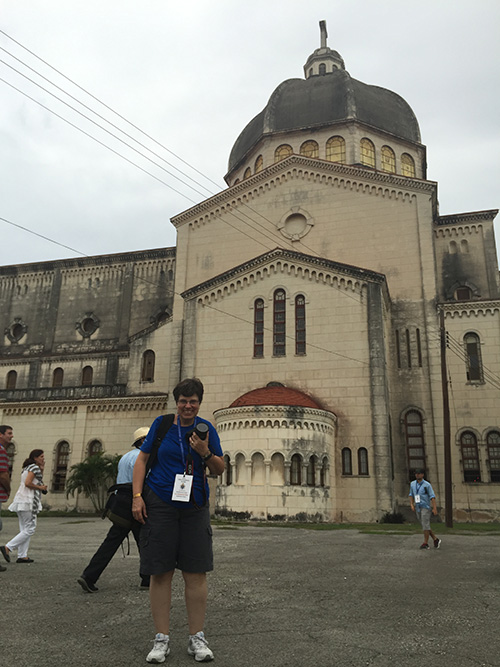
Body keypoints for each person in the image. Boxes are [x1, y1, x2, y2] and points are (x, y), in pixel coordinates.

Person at [133, 378, 224, 664]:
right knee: (160, 572)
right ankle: (161, 638)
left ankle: (197, 637)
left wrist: (204, 452)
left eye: (193, 401)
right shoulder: (162, 425)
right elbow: (142, 460)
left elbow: (220, 468)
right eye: (183, 401)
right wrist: (137, 496)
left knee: (196, 573)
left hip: (194, 505)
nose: (188, 406)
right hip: (160, 504)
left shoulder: (206, 429)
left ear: (199, 402)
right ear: (177, 402)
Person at [77, 427, 151, 593]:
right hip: (135, 501)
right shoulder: (143, 458)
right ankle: (146, 579)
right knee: (145, 541)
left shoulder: (125, 457)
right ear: (143, 441)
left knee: (113, 542)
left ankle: (89, 576)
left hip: (120, 503)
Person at [1, 449, 47, 564]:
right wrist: (41, 488)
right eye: (41, 456)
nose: (43, 458)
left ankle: (22, 555)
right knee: (30, 528)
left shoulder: (27, 468)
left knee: (24, 528)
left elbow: (36, 479)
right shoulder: (34, 468)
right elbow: (28, 483)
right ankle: (8, 547)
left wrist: (42, 469)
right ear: (35, 458)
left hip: (21, 500)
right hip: (29, 501)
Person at [409, 469, 441, 550]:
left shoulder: (427, 485)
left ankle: (425, 543)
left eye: (419, 474)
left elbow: (432, 497)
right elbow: (411, 494)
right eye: (416, 474)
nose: (417, 475)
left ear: (423, 475)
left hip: (425, 507)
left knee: (425, 524)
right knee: (424, 525)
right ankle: (435, 539)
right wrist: (411, 504)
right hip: (417, 507)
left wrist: (434, 508)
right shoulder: (413, 484)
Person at [0, 425, 13, 572]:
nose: (11, 436)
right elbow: (3, 474)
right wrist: (8, 489)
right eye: (9, 433)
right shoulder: (1, 451)